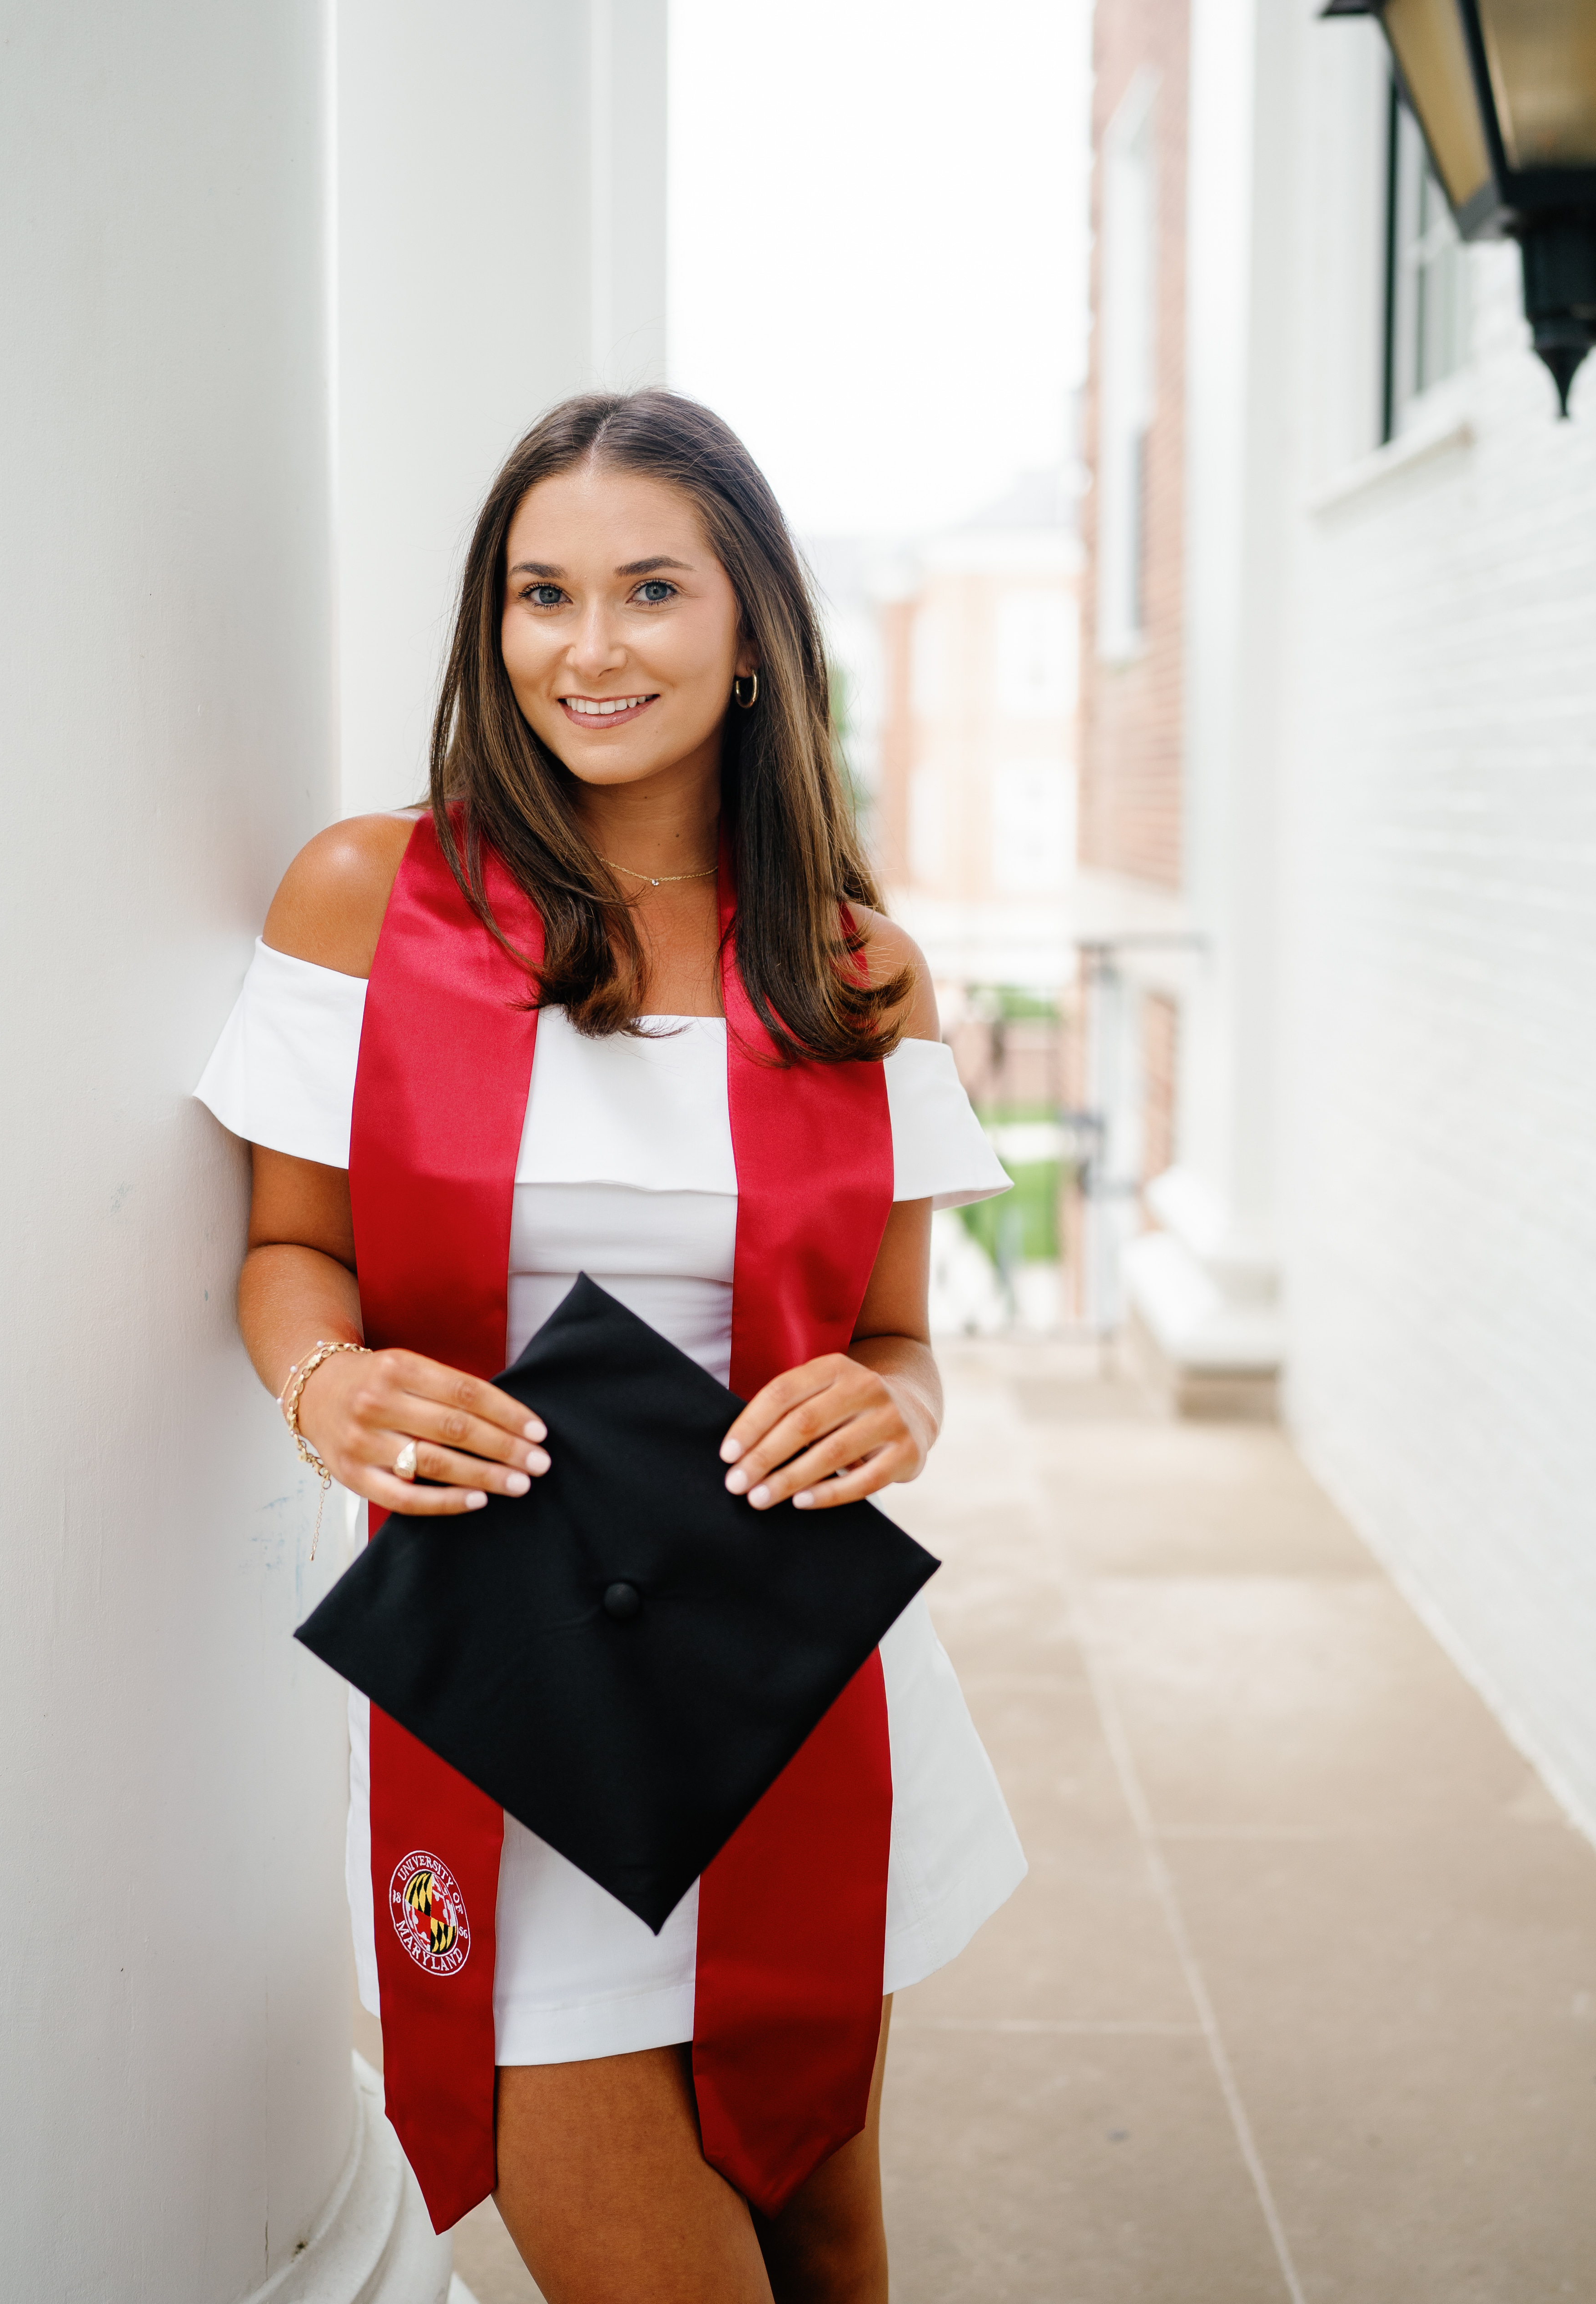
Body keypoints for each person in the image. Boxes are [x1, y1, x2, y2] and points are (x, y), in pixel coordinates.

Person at [195, 390, 1025, 2304]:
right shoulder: (366, 901)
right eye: (538, 593)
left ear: (749, 634)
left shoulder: (850, 962)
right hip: (506, 1684)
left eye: (650, 590)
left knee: (821, 2220)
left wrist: (883, 1407)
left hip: (791, 1671)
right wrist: (332, 1390)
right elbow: (288, 1252)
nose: (588, 647)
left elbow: (898, 1335)